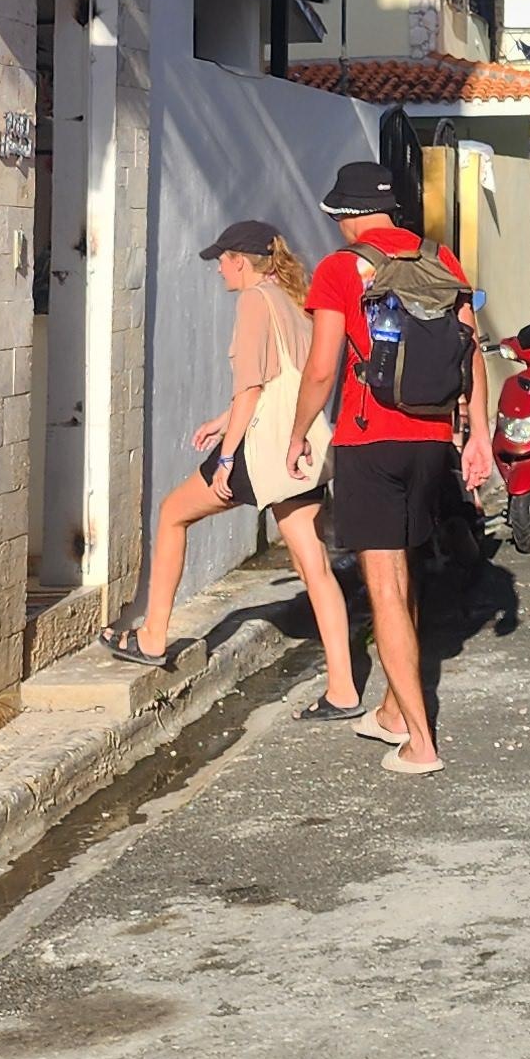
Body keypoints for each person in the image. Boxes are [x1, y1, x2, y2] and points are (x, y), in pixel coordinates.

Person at [101, 221, 369, 718]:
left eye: (221, 260)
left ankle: (153, 635)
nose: (219, 269)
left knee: (173, 513)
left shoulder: (253, 302)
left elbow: (251, 387)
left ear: (241, 261)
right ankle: (343, 689)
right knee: (314, 566)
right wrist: (222, 420)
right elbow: (282, 380)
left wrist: (227, 453)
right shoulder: (293, 298)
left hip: (258, 450)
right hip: (300, 445)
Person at [292, 160, 490, 776]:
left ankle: (421, 744)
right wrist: (477, 433)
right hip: (431, 440)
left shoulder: (336, 271)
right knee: (406, 575)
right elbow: (471, 349)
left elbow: (324, 366)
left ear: (346, 217)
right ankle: (393, 712)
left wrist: (298, 433)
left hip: (369, 439)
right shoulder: (441, 258)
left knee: (382, 586)